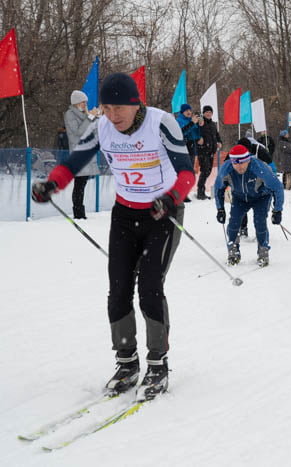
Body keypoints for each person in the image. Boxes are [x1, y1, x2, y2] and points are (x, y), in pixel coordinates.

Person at [31, 73, 195, 400]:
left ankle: (158, 363)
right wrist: (52, 184)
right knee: (118, 289)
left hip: (161, 214)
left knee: (150, 287)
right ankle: (126, 362)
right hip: (124, 215)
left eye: (119, 107)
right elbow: (74, 162)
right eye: (106, 108)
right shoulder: (101, 127)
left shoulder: (161, 123)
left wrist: (171, 198)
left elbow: (187, 173)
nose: (112, 115)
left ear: (135, 104)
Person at [214, 145, 284, 267]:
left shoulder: (258, 167)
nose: (239, 166)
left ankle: (263, 251)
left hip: (261, 197)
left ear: (248, 160)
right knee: (234, 222)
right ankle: (233, 251)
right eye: (236, 163)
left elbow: (277, 187)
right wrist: (220, 209)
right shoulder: (226, 169)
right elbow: (218, 188)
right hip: (239, 198)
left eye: (242, 162)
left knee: (260, 221)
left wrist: (277, 210)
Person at [64, 90, 100, 219]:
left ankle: (80, 212)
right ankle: (78, 213)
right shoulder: (70, 114)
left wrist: (97, 117)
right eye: (83, 102)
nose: (85, 105)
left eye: (86, 102)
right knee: (79, 184)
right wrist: (90, 117)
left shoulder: (83, 114)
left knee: (81, 184)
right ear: (76, 102)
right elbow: (79, 132)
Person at [195, 105, 222, 199]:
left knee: (208, 171)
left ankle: (201, 191)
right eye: (206, 112)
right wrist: (199, 138)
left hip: (211, 151)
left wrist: (219, 142)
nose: (208, 114)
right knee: (205, 170)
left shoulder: (213, 124)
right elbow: (195, 132)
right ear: (203, 113)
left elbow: (217, 135)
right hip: (203, 150)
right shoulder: (200, 122)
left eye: (210, 112)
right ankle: (200, 192)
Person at [176, 104, 201, 202]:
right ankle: (181, 194)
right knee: (183, 172)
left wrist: (199, 125)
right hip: (183, 148)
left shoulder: (191, 120)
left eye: (190, 110)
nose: (189, 112)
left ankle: (185, 193)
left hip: (191, 148)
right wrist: (192, 123)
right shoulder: (179, 121)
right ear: (182, 112)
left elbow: (195, 133)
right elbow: (181, 133)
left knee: (190, 172)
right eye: (187, 111)